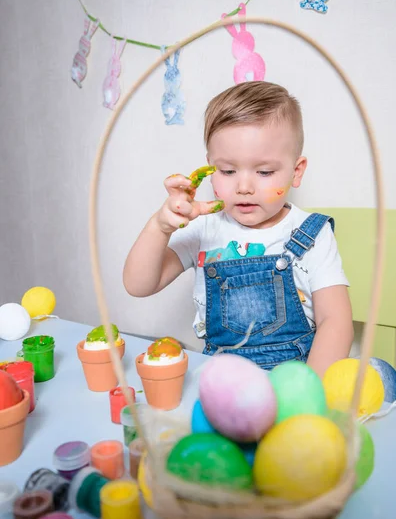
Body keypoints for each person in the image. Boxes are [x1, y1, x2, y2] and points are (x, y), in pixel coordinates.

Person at [123, 81, 354, 377]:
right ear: (209, 168)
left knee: (378, 373)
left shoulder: (311, 234)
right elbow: (138, 285)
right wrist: (160, 227)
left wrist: (310, 396)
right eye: (228, 171)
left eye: (264, 172)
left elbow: (335, 321)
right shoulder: (204, 229)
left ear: (296, 172)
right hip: (223, 382)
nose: (244, 187)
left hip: (294, 380)